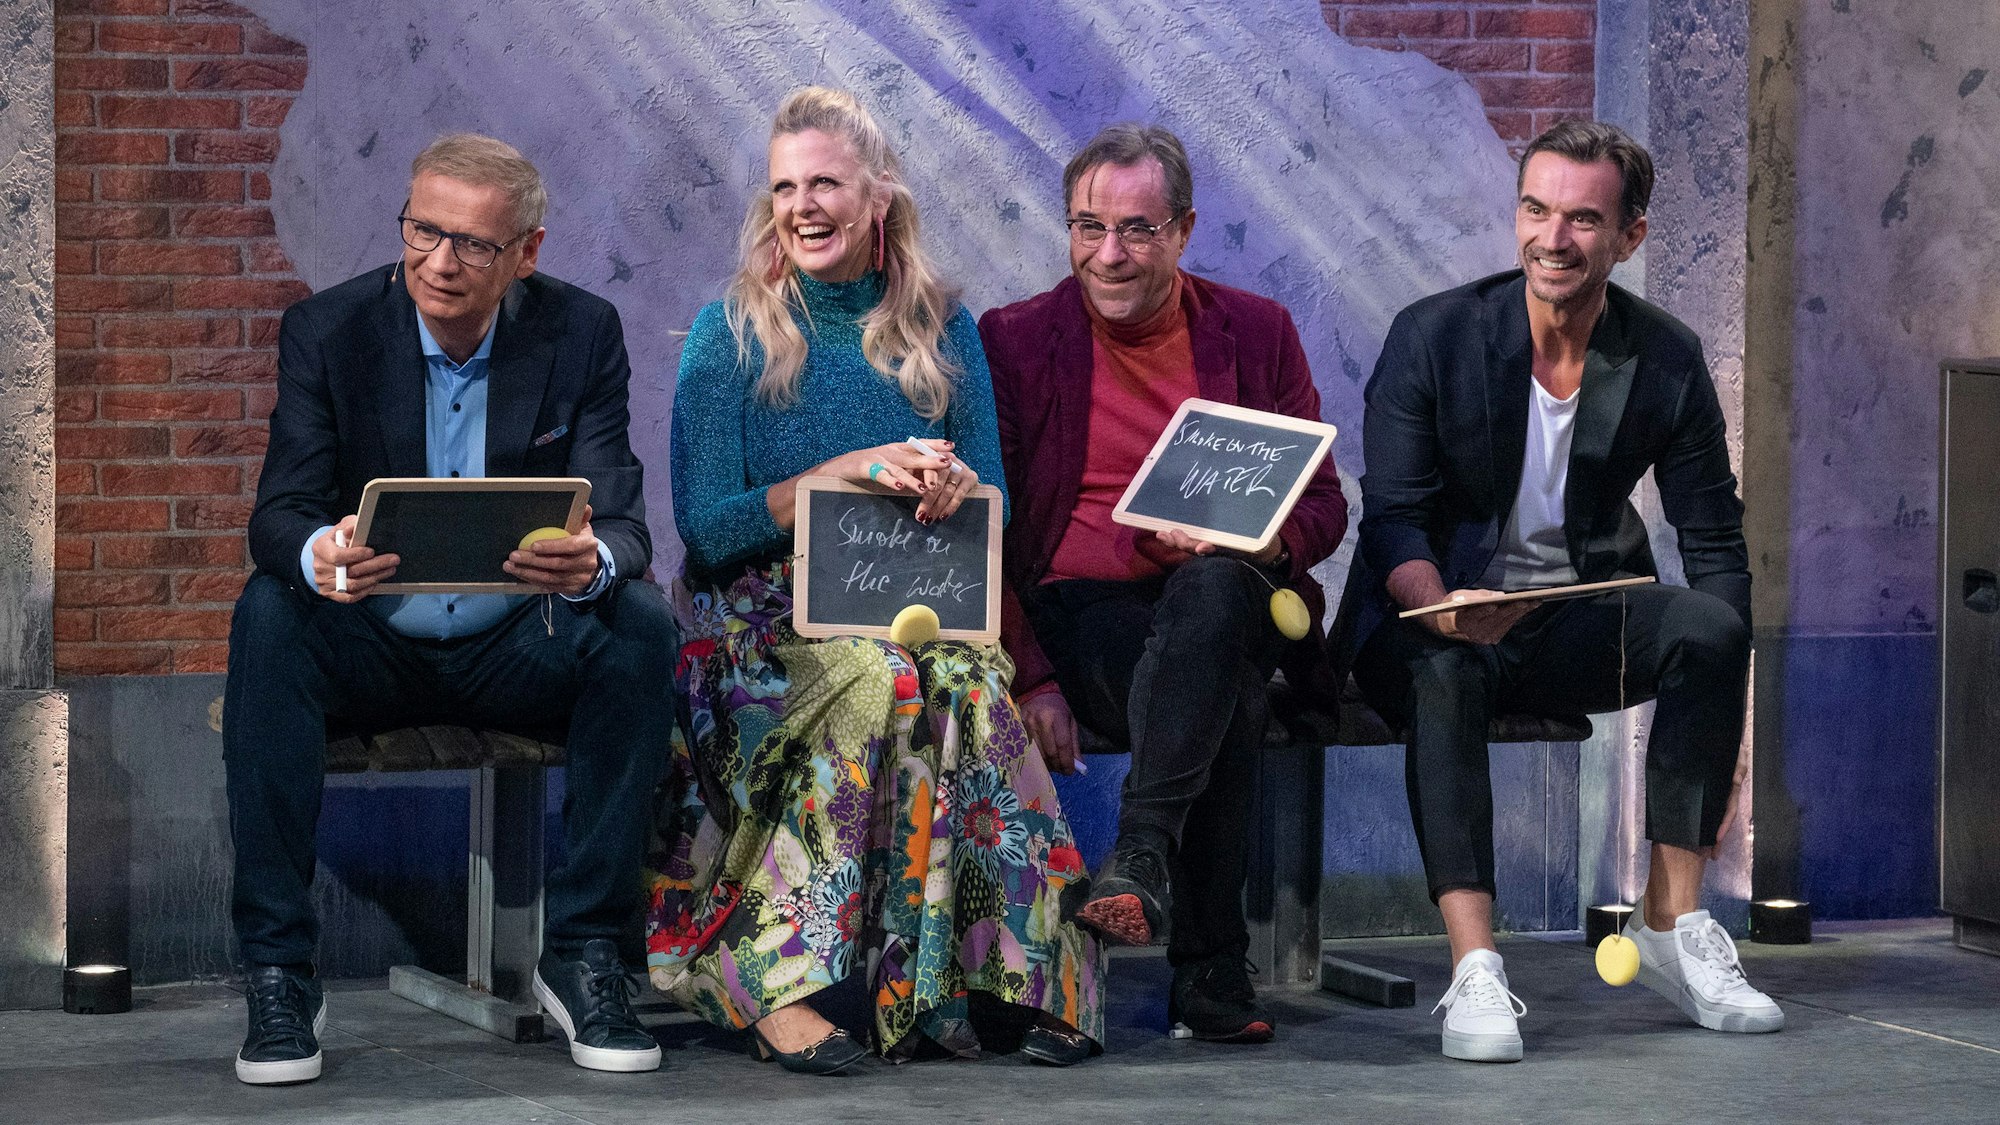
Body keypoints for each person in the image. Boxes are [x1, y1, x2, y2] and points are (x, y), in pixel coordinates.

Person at [648, 86, 1102, 1075]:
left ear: (879, 198)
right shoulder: (728, 333)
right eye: (783, 188)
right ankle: (769, 983)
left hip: (904, 610)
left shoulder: (941, 328)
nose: (800, 205)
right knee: (873, 679)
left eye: (824, 184)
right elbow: (706, 527)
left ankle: (1013, 982)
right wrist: (836, 476)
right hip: (752, 636)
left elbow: (995, 507)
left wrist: (953, 484)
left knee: (971, 686)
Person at [224, 134, 675, 1084]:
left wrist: (593, 562)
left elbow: (627, 523)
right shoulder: (329, 329)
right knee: (269, 610)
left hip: (515, 645)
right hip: (372, 647)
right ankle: (278, 970)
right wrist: (320, 555)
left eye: (472, 244)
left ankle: (585, 951)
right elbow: (279, 514)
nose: (439, 261)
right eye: (423, 231)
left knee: (637, 623)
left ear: (528, 252)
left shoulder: (581, 331)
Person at [1348, 119, 1781, 1063]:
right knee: (1446, 671)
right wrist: (1441, 599)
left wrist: (1726, 667)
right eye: (1536, 209)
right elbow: (1393, 517)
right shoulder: (1437, 335)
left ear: (1630, 237)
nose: (1553, 237)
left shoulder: (1663, 356)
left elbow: (1712, 535)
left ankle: (1671, 925)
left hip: (1569, 621)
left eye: (1583, 219)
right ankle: (1474, 964)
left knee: (1710, 625)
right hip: (1423, 624)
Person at [979, 124, 1347, 1043]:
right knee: (1229, 697)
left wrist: (1260, 548)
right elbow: (985, 529)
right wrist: (1033, 676)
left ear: (1183, 231)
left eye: (1138, 229)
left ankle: (1140, 847)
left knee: (1218, 597)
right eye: (1088, 226)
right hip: (1082, 606)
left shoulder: (1255, 332)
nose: (1110, 253)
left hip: (1231, 589)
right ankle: (1211, 966)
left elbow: (1325, 506)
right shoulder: (1016, 338)